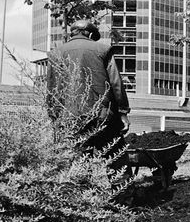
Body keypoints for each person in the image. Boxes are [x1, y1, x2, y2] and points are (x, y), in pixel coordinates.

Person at [46, 19, 130, 158]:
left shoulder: (55, 53)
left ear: (71, 34)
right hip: (101, 115)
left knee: (78, 158)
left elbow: (51, 88)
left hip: (69, 116)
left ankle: (82, 179)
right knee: (115, 156)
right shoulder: (103, 50)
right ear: (90, 35)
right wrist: (123, 112)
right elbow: (116, 83)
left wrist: (53, 116)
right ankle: (121, 180)